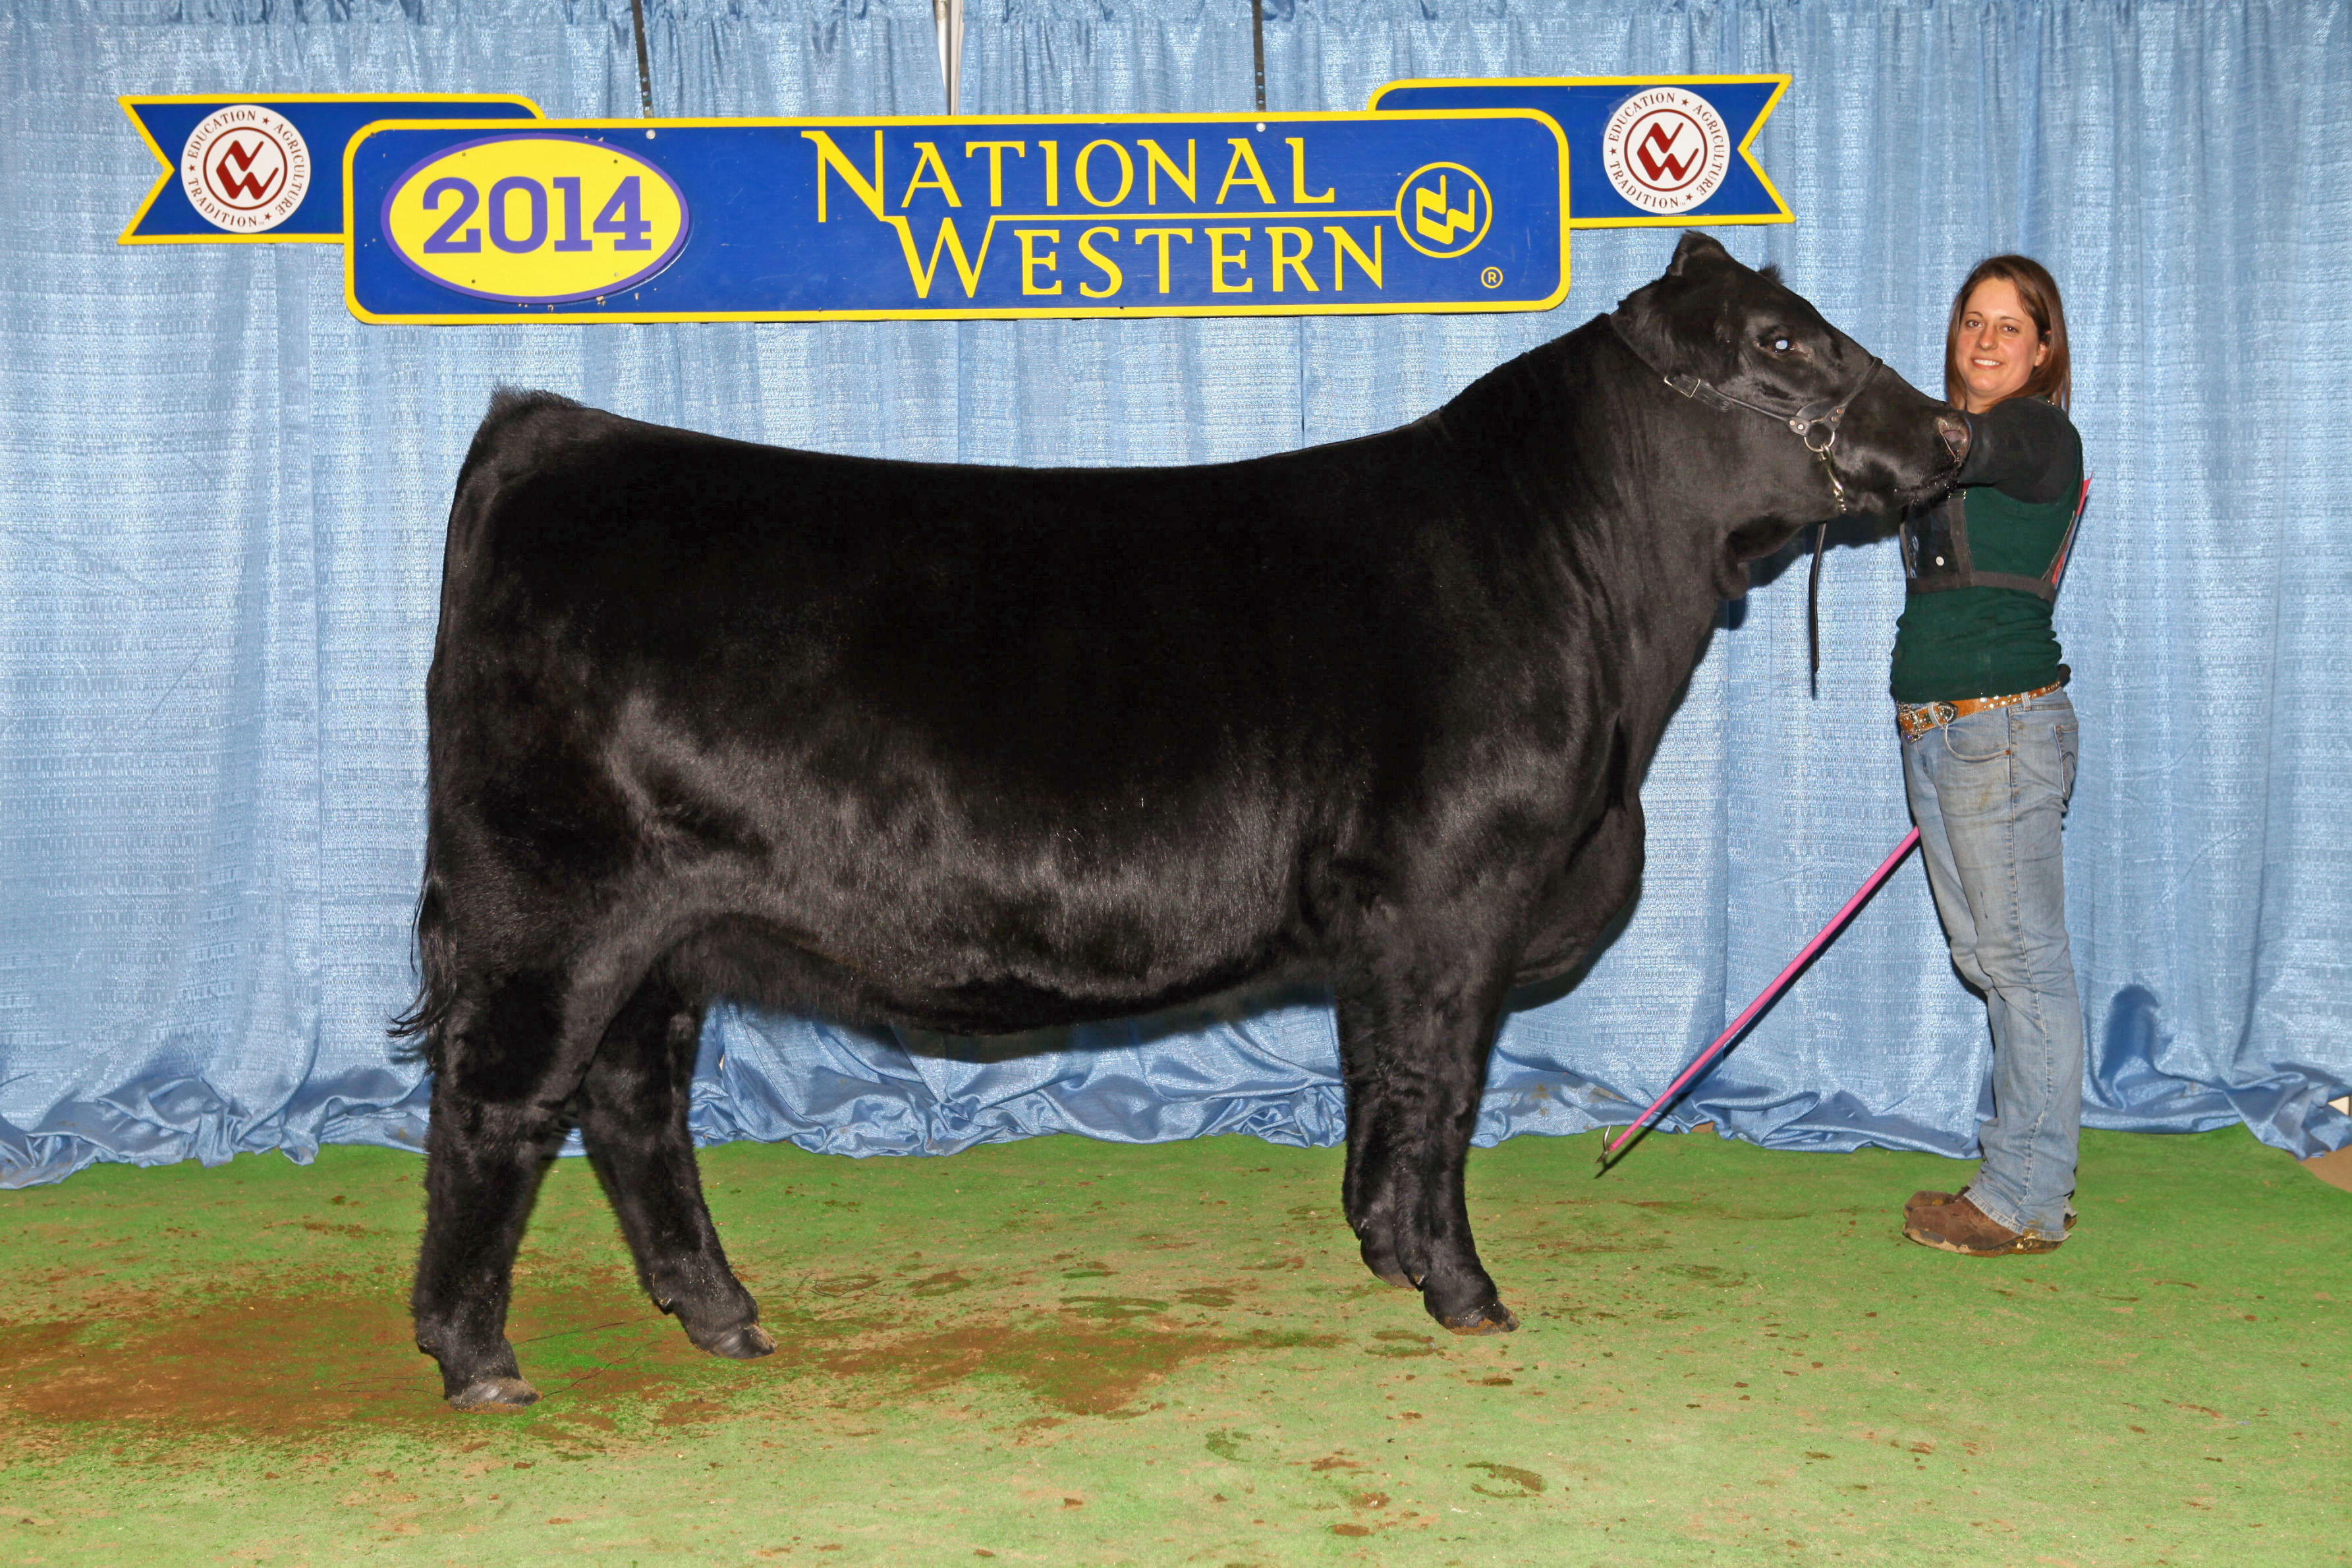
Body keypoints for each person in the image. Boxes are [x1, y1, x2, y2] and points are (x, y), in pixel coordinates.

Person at [1892, 256, 2086, 1256]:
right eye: (1973, 320)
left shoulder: (2038, 435)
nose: (1986, 340)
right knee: (1991, 961)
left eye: (2011, 326)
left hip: (1999, 730)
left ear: (2043, 350)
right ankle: (2020, 1178)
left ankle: (2025, 1199)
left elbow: (1970, 442)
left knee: (2022, 966)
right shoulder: (1942, 447)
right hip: (1943, 733)